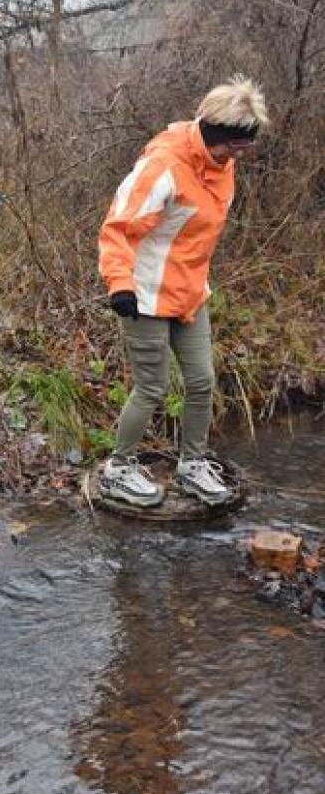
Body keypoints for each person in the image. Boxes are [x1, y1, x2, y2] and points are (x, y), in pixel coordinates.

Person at [97, 75, 269, 507]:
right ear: (213, 132)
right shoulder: (164, 165)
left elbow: (196, 237)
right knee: (152, 387)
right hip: (145, 293)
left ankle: (192, 465)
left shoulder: (222, 167)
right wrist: (119, 284)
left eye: (243, 149)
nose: (237, 157)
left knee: (201, 380)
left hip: (190, 293)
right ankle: (118, 469)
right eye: (232, 146)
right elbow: (118, 227)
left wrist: (196, 281)